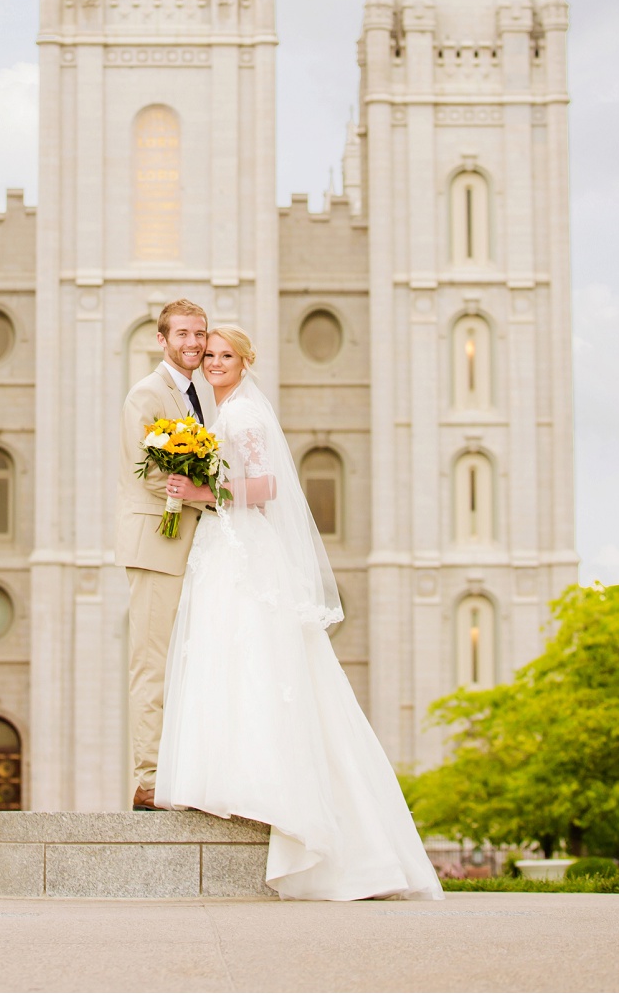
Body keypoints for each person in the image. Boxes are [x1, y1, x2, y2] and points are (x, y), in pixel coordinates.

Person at [155, 326, 444, 901]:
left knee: (256, 662)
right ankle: (232, 781)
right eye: (208, 354)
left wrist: (200, 493)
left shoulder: (245, 418)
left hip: (242, 548)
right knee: (228, 658)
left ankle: (269, 790)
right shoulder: (224, 413)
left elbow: (264, 487)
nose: (214, 362)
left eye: (225, 355)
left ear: (245, 361)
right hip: (224, 546)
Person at [114, 298, 209, 810]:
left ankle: (180, 772)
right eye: (183, 335)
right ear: (162, 339)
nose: (193, 343)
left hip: (192, 549)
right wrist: (209, 490)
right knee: (151, 666)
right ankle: (148, 781)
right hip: (156, 544)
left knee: (185, 666)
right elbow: (145, 473)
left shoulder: (199, 397)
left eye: (200, 334)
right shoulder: (146, 395)